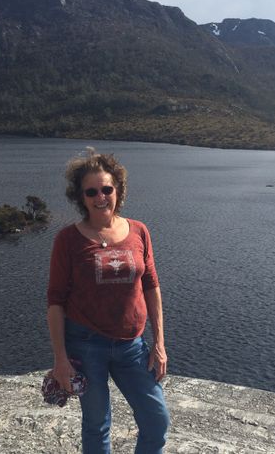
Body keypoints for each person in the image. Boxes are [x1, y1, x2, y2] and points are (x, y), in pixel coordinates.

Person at [47, 148, 170, 453]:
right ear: (81, 197)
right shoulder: (68, 239)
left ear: (118, 190)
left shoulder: (139, 231)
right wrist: (60, 360)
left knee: (157, 420)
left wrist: (159, 343)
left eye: (107, 189)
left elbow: (151, 286)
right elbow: (55, 301)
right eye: (91, 191)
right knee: (97, 423)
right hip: (87, 345)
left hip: (133, 345)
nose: (100, 196)